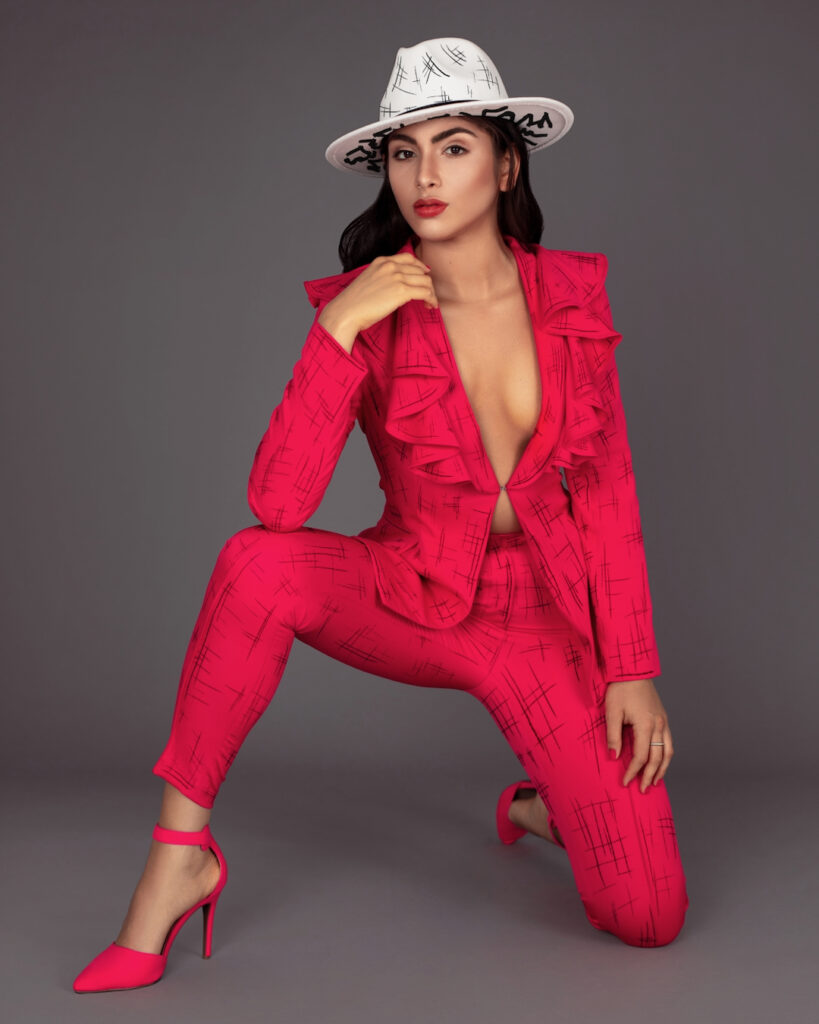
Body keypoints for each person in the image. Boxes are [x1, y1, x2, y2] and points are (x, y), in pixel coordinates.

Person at [74, 37, 689, 993]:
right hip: (410, 593)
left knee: (648, 918)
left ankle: (544, 808)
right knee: (251, 563)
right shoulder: (369, 304)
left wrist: (633, 667)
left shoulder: (569, 299)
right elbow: (278, 505)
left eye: (451, 146)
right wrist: (334, 334)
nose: (425, 176)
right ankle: (176, 861)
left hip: (542, 624)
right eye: (404, 153)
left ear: (506, 160)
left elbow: (609, 491)